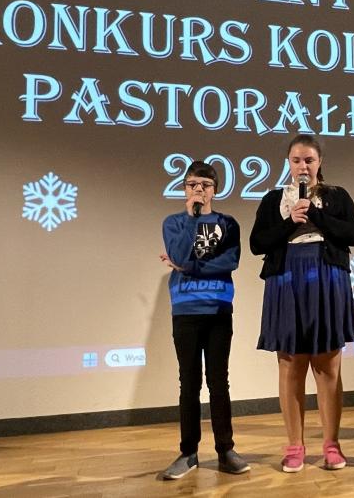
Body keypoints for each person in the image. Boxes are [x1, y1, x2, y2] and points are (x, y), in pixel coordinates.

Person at [250, 134, 354, 473]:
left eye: (309, 160)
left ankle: (332, 445)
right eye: (297, 160)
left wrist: (315, 214)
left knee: (327, 367)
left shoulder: (337, 195)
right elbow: (257, 243)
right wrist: (290, 222)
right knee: (291, 366)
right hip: (286, 281)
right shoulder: (274, 199)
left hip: (326, 279)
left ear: (319, 162)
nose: (303, 166)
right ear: (289, 163)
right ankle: (294, 446)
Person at [159, 161, 249, 479]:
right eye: (192, 184)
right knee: (189, 383)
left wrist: (188, 266)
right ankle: (188, 453)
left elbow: (230, 261)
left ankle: (225, 450)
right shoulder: (173, 222)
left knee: (218, 382)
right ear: (185, 188)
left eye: (205, 184)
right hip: (185, 310)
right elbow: (179, 254)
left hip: (218, 310)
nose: (198, 189)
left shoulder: (228, 223)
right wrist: (190, 220)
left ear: (215, 189)